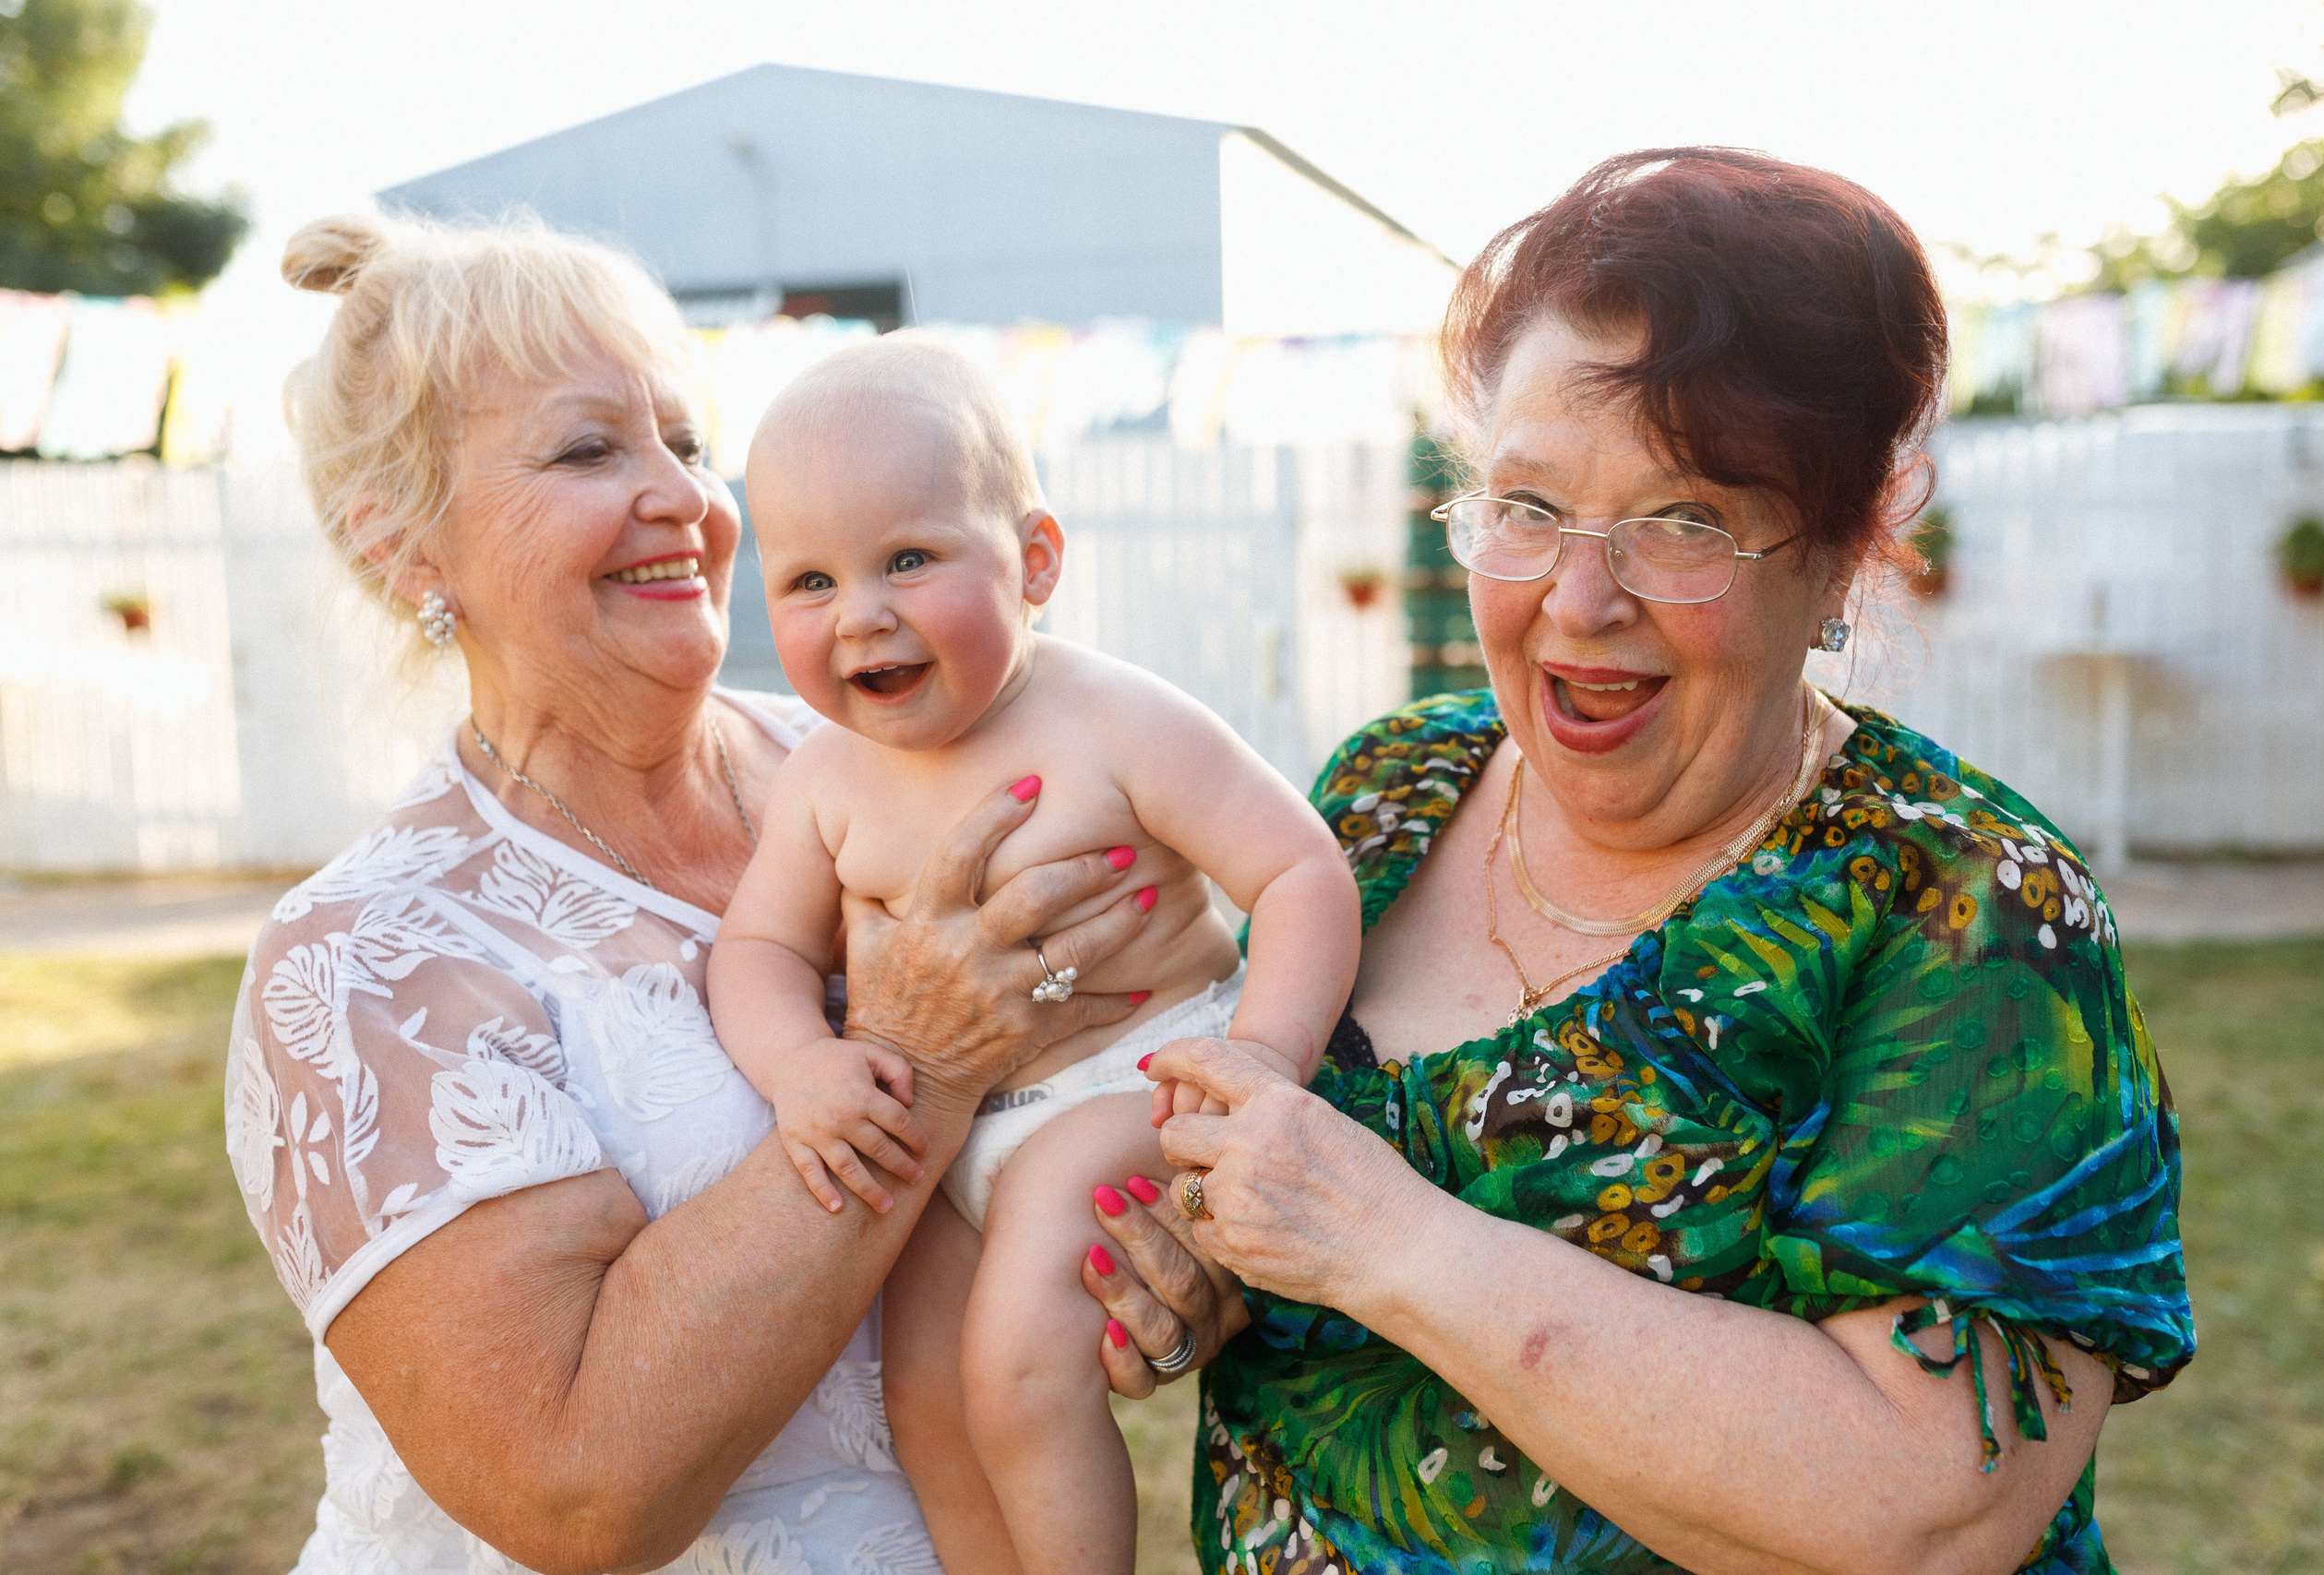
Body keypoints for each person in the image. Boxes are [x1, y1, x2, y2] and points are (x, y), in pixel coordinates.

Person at [1080, 148, 2194, 1575]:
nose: (1579, 600)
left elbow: (1933, 1510)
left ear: (1843, 553)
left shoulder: (1968, 909)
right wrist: (1202, 1268)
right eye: (1530, 508)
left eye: (1685, 523)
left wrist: (1377, 1240)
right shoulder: (1381, 796)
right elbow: (1264, 1193)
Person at [225, 212, 1162, 1575]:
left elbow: (1106, 1070)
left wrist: (1153, 1261)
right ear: (405, 550)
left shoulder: (883, 762)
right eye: (590, 449)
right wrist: (914, 1062)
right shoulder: (364, 961)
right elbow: (573, 1490)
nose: (690, 500)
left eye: (687, 442)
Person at [709, 335, 1360, 1575]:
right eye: (809, 582)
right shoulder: (825, 779)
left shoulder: (1112, 717)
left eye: (908, 558)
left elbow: (1300, 870)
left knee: (1017, 1379)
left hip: (1124, 1084)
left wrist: (1261, 1060)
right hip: (947, 1129)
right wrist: (802, 1068)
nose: (864, 614)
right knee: (929, 1404)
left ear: (1035, 559)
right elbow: (756, 951)